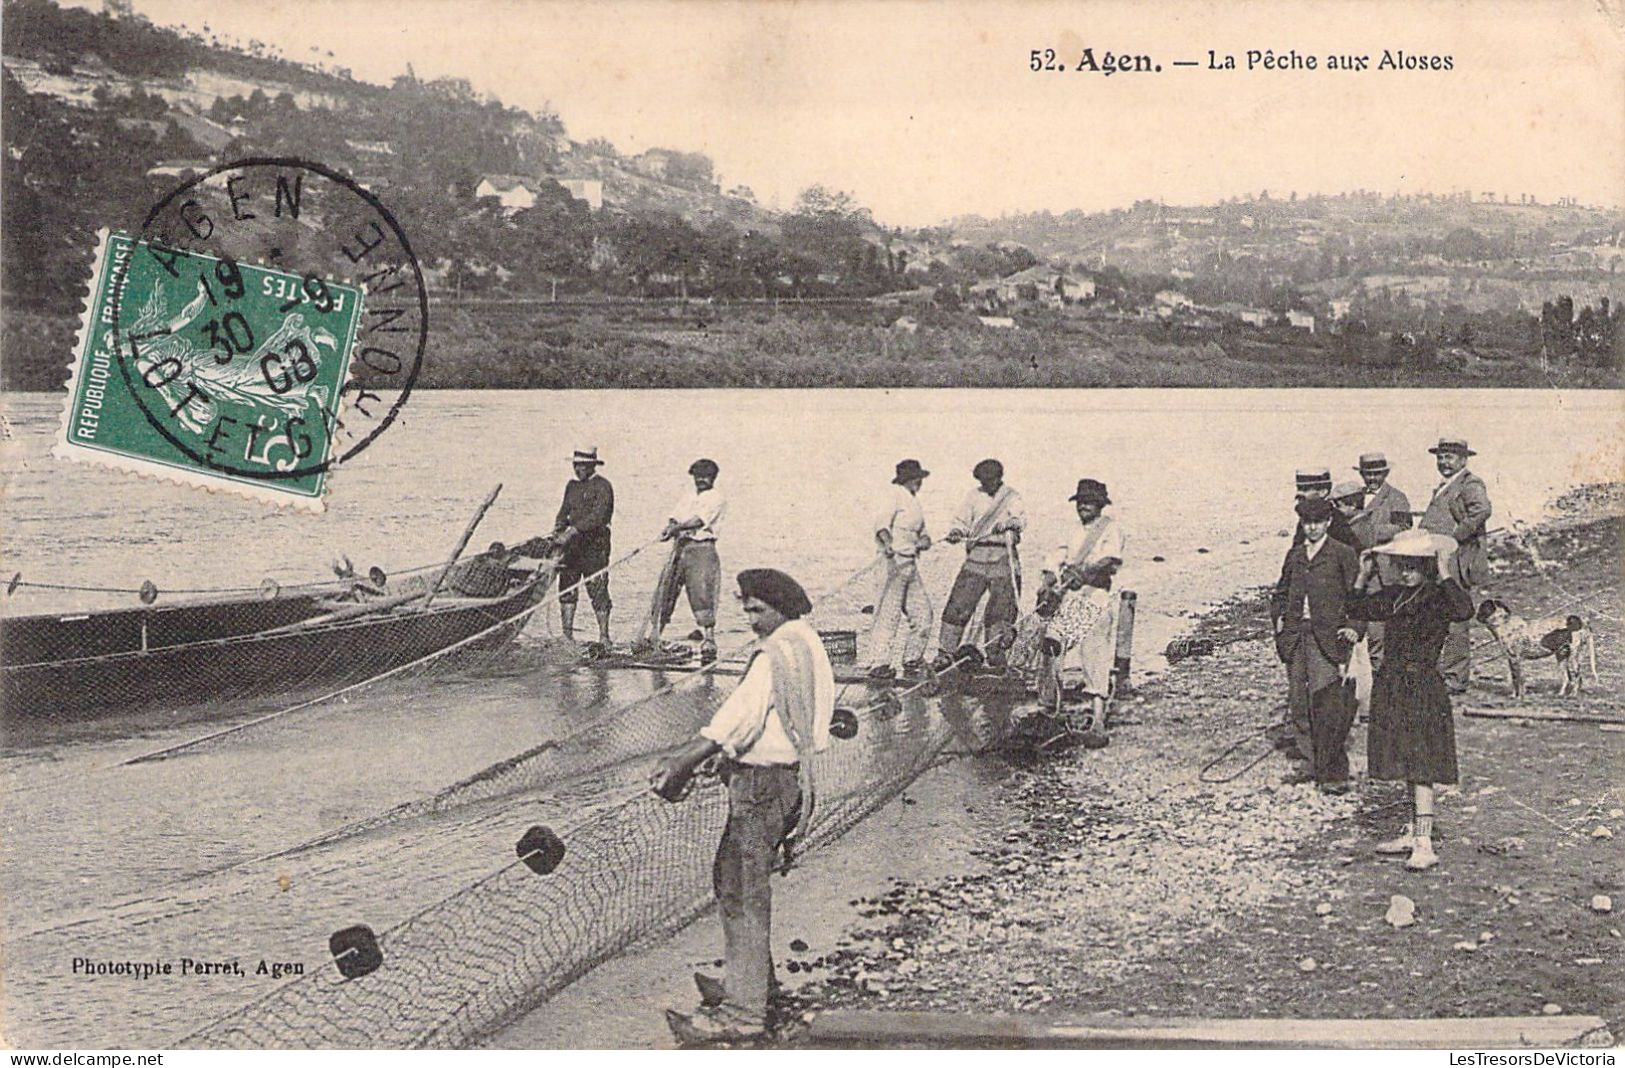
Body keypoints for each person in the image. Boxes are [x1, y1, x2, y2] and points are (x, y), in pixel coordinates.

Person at [652, 569, 835, 1043]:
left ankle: (742, 1013)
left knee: (743, 891)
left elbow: (736, 719)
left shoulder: (772, 653)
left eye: (759, 610)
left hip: (761, 787)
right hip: (788, 780)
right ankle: (754, 985)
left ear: (783, 606)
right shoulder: (808, 642)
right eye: (747, 609)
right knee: (732, 878)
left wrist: (681, 761)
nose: (752, 620)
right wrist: (733, 756)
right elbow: (797, 718)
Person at [1348, 530, 1475, 870]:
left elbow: (1465, 609)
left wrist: (1446, 569)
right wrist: (1364, 574)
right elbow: (1355, 607)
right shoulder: (1395, 596)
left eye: (1413, 566)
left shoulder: (1437, 597)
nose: (1405, 572)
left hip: (1422, 686)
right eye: (1401, 565)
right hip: (1392, 684)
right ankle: (1412, 831)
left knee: (1422, 766)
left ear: (1428, 567)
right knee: (1405, 758)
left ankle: (1424, 841)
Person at [1271, 496, 1364, 792]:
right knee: (1299, 702)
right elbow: (1281, 593)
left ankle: (1333, 772)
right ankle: (1312, 763)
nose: (1312, 528)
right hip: (1297, 636)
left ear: (1328, 523)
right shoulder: (1296, 555)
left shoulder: (1343, 554)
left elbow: (1357, 598)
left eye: (1318, 522)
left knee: (1327, 703)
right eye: (1307, 522)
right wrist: (1279, 621)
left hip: (1328, 638)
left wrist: (1353, 627)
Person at [1037, 478, 1124, 721]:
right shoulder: (1071, 530)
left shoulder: (1110, 529)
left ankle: (1097, 715)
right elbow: (1054, 558)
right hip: (1070, 598)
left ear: (1100, 505)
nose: (1083, 506)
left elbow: (1110, 560)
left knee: (1093, 650)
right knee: (1051, 643)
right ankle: (1049, 706)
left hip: (1095, 596)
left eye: (1089, 502)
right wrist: (1047, 581)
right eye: (1080, 502)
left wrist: (1084, 572)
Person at [934, 459, 1026, 673]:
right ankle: (945, 654)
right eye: (983, 481)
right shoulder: (973, 497)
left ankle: (995, 655)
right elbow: (961, 520)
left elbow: (1020, 520)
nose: (986, 484)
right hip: (977, 557)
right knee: (958, 605)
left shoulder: (1012, 497)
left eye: (990, 480)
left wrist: (1011, 524)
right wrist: (957, 531)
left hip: (1003, 559)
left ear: (998, 478)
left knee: (1000, 610)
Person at [1418, 437, 1492, 694]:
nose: (1443, 462)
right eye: (1440, 456)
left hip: (1456, 562)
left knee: (1456, 618)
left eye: (1449, 457)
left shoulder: (1470, 483)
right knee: (1438, 615)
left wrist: (1454, 536)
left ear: (1463, 459)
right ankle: (1443, 672)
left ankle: (1455, 677)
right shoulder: (1446, 485)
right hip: (1439, 561)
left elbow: (1482, 510)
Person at [866, 460, 935, 681]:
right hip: (892, 563)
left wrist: (924, 540)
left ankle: (912, 659)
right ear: (906, 479)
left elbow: (923, 532)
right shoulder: (893, 495)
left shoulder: (915, 502)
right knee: (888, 615)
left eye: (920, 479)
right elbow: (881, 525)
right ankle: (880, 664)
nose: (919, 482)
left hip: (910, 564)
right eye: (916, 478)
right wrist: (887, 544)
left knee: (923, 614)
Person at [655, 458, 727, 663]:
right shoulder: (688, 496)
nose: (701, 480)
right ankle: (655, 635)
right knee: (665, 590)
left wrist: (675, 529)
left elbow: (698, 521)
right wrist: (670, 526)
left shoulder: (717, 498)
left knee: (702, 593)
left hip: (702, 549)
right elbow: (675, 516)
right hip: (680, 547)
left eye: (705, 477)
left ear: (713, 478)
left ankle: (709, 639)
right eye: (698, 476)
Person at [1348, 452, 1413, 672]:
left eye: (1377, 474)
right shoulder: (1354, 496)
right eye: (1368, 474)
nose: (1372, 478)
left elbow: (1404, 527)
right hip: (1360, 571)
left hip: (1387, 572)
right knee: (1361, 624)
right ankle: (1367, 675)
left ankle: (1384, 674)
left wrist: (1372, 533)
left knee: (1384, 629)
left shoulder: (1397, 497)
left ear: (1385, 473)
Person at [552, 446, 615, 655]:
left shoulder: (603, 486)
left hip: (594, 546)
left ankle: (604, 636)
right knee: (567, 587)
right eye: (575, 465)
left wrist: (573, 530)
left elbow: (599, 516)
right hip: (571, 549)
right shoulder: (571, 486)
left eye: (582, 465)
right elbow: (563, 511)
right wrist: (559, 529)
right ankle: (567, 635)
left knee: (597, 588)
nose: (578, 469)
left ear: (592, 466)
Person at [1292, 467, 1358, 549]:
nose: (1299, 493)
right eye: (1299, 488)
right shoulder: (1305, 518)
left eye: (1305, 489)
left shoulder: (1336, 519)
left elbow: (1353, 552)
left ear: (1323, 492)